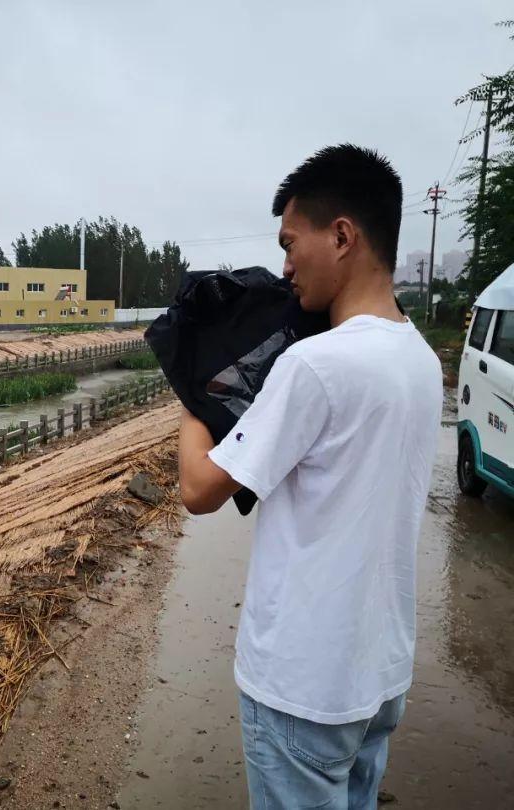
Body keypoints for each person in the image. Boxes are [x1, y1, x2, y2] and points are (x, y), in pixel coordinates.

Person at [176, 144, 443, 809]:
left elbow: (200, 489)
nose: (286, 266)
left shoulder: (317, 365)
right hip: (378, 679)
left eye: (292, 244)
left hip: (302, 687)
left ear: (343, 235)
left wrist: (191, 392)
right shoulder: (420, 359)